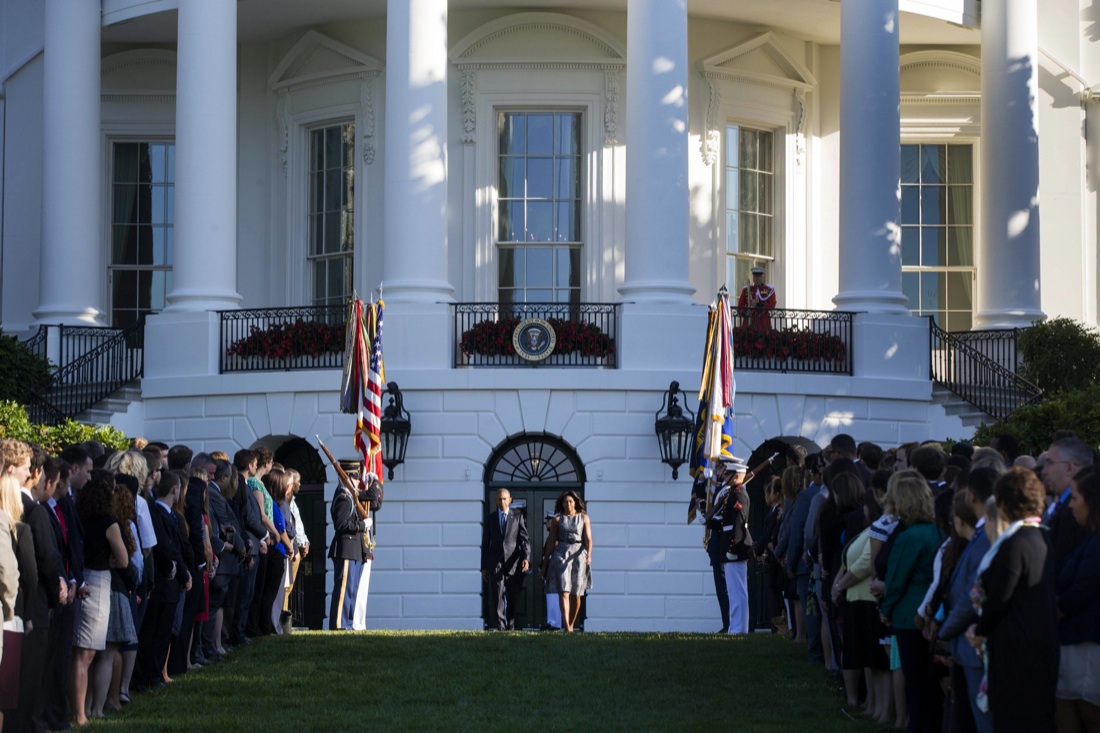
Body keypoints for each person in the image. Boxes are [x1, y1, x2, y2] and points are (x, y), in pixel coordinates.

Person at [966, 467, 1058, 733]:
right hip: (1040, 643)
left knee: (1015, 719)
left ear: (1004, 503)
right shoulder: (1042, 535)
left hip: (1016, 647)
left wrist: (979, 629)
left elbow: (999, 598)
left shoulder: (1015, 543)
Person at [879, 469, 944, 733]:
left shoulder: (908, 537)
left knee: (916, 683)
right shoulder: (937, 532)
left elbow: (896, 580)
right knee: (931, 685)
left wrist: (886, 609)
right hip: (932, 610)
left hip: (908, 615)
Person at [69, 470, 128, 726]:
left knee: (83, 651)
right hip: (99, 581)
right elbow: (124, 559)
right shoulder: (108, 522)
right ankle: (84, 713)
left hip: (80, 578)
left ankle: (84, 709)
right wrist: (113, 560)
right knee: (87, 653)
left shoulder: (78, 517)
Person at [1055, 467, 1100, 732]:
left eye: (1075, 498)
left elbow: (1082, 589)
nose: (1071, 505)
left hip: (1086, 644)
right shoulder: (1090, 538)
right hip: (1075, 640)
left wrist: (1055, 610)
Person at [541, 490, 590, 633]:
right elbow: (551, 543)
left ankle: (572, 623)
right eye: (565, 502)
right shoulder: (557, 520)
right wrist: (545, 564)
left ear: (575, 502)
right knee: (564, 591)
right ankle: (567, 627)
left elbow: (588, 539)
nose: (568, 504)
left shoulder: (584, 518)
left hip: (578, 554)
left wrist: (589, 554)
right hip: (561, 553)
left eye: (570, 501)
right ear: (561, 504)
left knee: (577, 593)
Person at [481, 489, 530, 631]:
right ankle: (500, 626)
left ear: (510, 500)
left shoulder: (518, 516)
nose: (502, 502)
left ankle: (511, 624)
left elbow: (525, 540)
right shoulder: (490, 519)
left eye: (504, 499)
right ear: (496, 501)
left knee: (512, 595)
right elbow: (485, 545)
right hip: (495, 563)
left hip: (513, 563)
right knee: (497, 596)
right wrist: (484, 567)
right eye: (499, 499)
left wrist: (526, 558)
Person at [328, 469, 368, 631]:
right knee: (344, 590)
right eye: (355, 477)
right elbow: (341, 524)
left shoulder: (351, 497)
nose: (359, 481)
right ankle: (340, 624)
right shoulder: (344, 498)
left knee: (351, 590)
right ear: (346, 477)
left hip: (353, 549)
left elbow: (373, 500)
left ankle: (348, 623)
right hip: (346, 548)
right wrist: (362, 526)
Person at [737, 265, 776, 330]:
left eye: (759, 276)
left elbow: (772, 305)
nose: (757, 278)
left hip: (763, 322)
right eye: (755, 276)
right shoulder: (746, 289)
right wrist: (745, 312)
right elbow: (740, 306)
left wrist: (757, 304)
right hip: (749, 321)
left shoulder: (769, 290)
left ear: (763, 277)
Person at [542, 515, 561, 631]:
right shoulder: (551, 534)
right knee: (550, 594)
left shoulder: (557, 534)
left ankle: (555, 623)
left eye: (548, 520)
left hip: (555, 566)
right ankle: (551, 621)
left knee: (554, 595)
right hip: (550, 567)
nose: (546, 523)